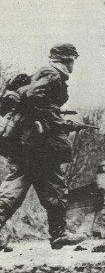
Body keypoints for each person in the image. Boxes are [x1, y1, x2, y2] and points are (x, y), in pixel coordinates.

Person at [0, 43, 91, 250]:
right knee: (55, 188)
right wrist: (61, 123)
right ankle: (59, 234)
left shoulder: (42, 74)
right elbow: (34, 97)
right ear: (67, 60)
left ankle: (59, 234)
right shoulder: (52, 74)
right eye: (72, 60)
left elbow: (35, 101)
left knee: (14, 189)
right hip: (38, 145)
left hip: (25, 143)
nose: (73, 64)